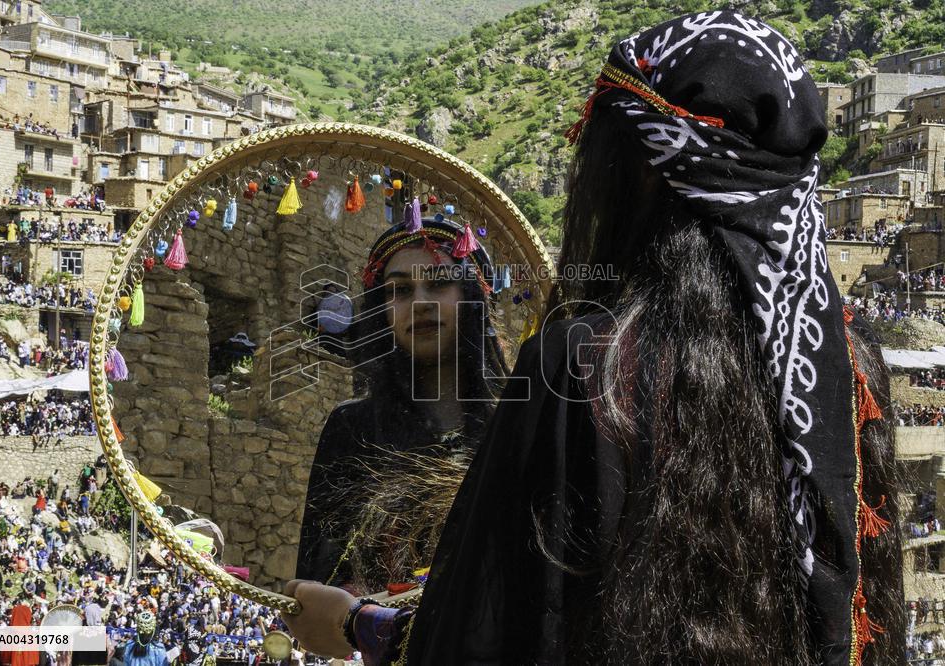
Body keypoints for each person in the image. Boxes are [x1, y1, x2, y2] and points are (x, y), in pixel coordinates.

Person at [280, 11, 904, 665]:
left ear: (641, 172)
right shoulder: (852, 367)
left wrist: (362, 629)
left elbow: (500, 635)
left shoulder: (583, 370)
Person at [295, 217, 509, 594]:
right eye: (401, 291)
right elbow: (320, 589)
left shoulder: (516, 424)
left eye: (439, 283)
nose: (421, 303)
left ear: (471, 298)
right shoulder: (353, 429)